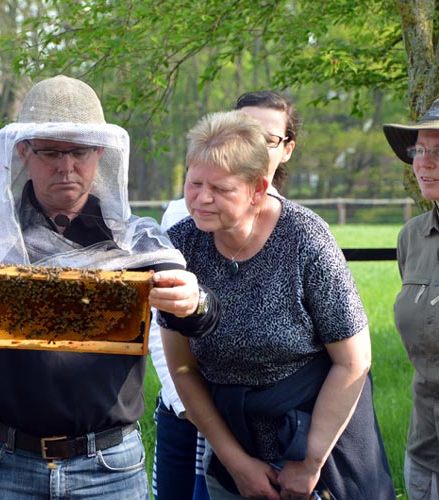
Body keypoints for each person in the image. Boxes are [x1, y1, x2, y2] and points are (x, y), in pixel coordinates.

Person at [0, 75, 220, 500]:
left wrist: (192, 300)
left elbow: (200, 316)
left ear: (99, 155)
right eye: (51, 152)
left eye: (79, 152)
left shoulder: (133, 239)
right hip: (9, 461)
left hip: (110, 466)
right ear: (24, 153)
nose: (65, 167)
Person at [160, 110, 396, 500]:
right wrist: (237, 464)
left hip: (319, 445)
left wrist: (309, 463)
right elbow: (183, 369)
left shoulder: (306, 240)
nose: (201, 198)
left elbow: (353, 360)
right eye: (194, 183)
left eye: (220, 189)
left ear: (258, 189)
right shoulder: (181, 245)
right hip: (233, 448)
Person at [150, 90, 300, 500]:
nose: (249, 141)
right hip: (186, 404)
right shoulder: (185, 216)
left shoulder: (297, 230)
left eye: (266, 138)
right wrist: (182, 400)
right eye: (242, 129)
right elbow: (163, 325)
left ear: (285, 150)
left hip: (248, 414)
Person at [384, 99, 439, 500]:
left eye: (438, 151)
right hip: (422, 449)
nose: (424, 163)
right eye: (419, 150)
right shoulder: (412, 237)